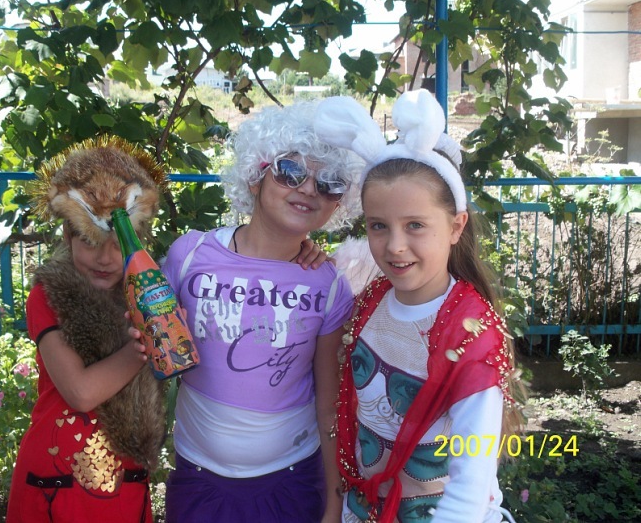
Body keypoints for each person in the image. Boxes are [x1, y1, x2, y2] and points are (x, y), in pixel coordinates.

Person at [314, 91, 524, 523]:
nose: (394, 246)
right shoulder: (371, 300)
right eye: (378, 226)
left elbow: (470, 487)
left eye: (415, 225)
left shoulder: (469, 334)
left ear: (456, 226)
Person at [161, 100, 366, 523]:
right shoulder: (189, 255)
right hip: (198, 479)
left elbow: (328, 403)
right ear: (256, 177)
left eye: (328, 183)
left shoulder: (327, 284)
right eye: (290, 171)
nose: (307, 189)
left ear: (337, 203)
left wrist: (334, 503)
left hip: (292, 483)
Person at [6, 136, 169, 523]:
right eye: (89, 242)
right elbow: (80, 392)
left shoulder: (148, 291)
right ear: (68, 236)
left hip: (125, 478)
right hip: (58, 476)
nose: (104, 259)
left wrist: (300, 250)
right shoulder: (49, 295)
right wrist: (142, 347)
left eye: (118, 244)